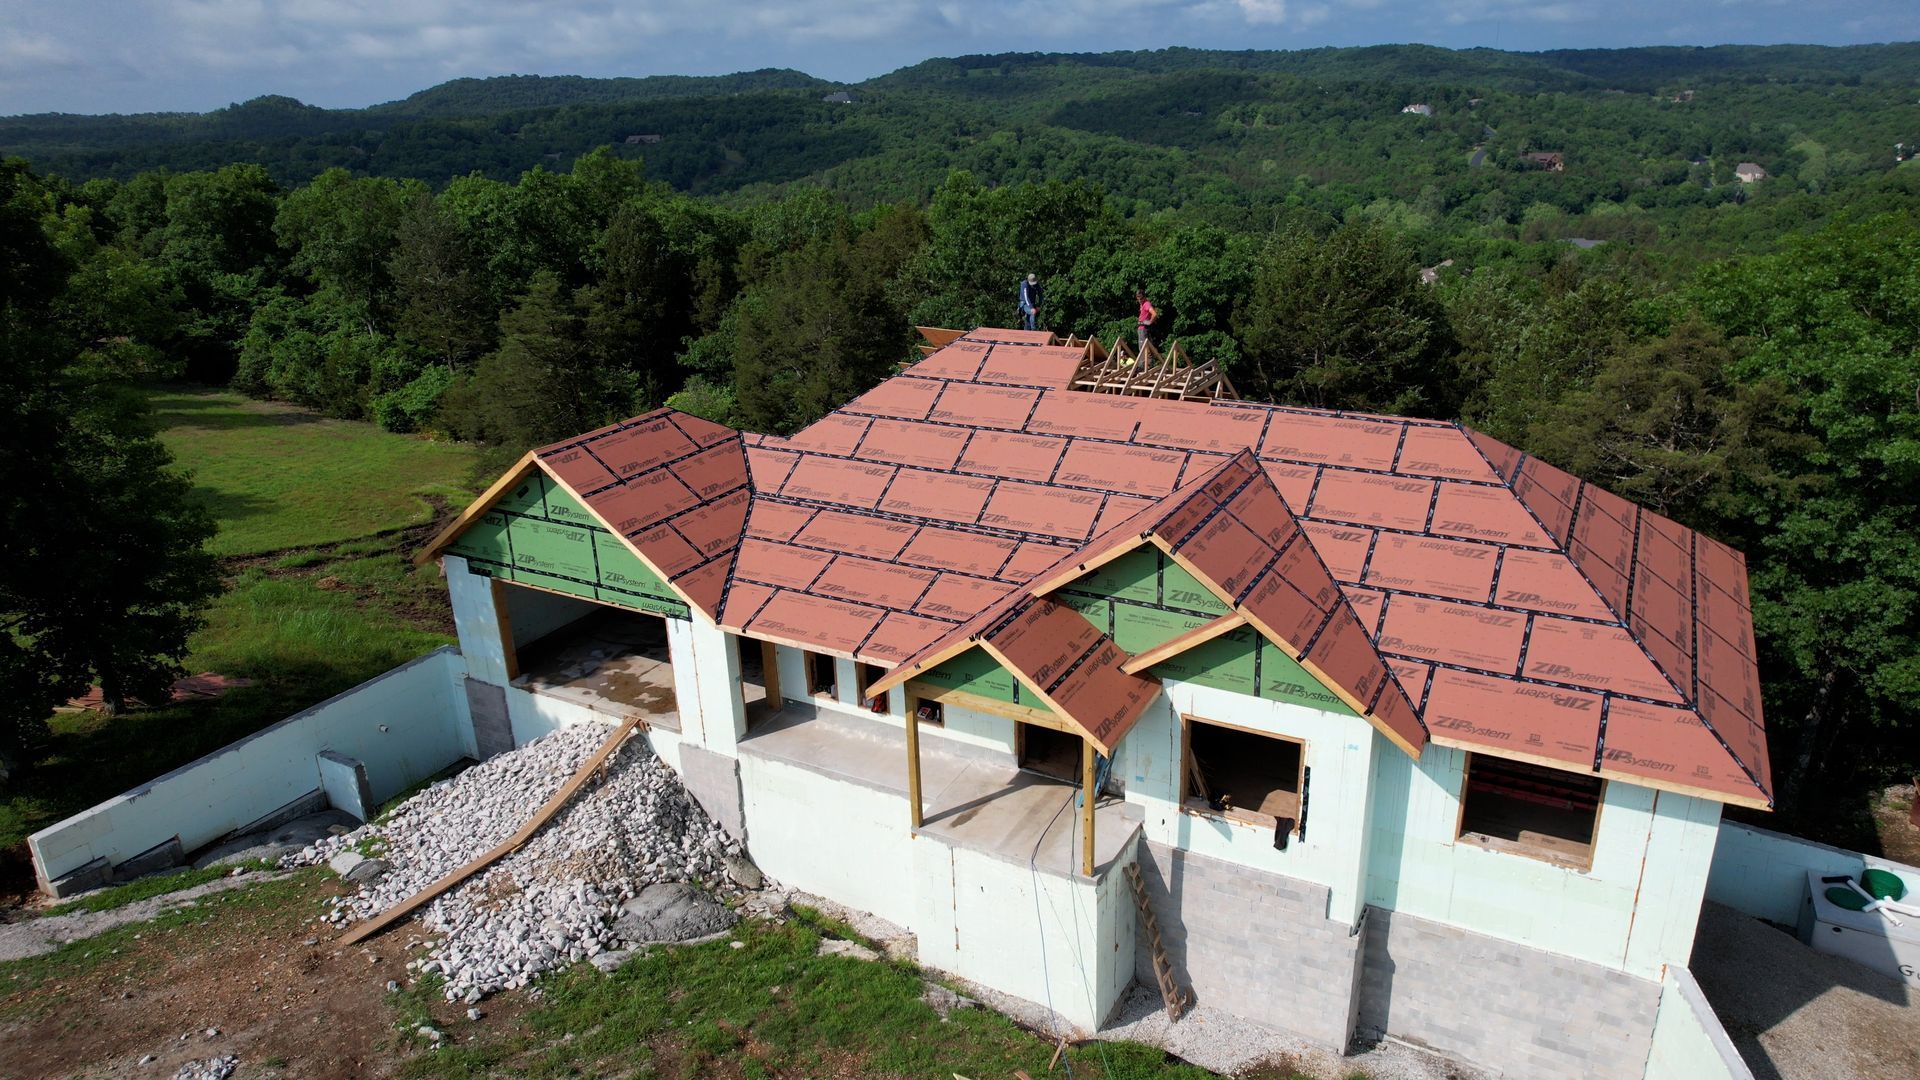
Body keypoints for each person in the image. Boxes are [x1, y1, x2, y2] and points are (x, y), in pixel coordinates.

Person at [1135, 289, 1157, 355]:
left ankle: (1145, 364)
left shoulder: (1146, 304)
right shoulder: (1142, 304)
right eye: (1138, 298)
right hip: (1142, 328)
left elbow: (1154, 314)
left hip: (1143, 328)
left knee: (1143, 348)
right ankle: (1148, 363)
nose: (1139, 300)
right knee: (1145, 347)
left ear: (1144, 297)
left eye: (1141, 298)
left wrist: (1150, 322)